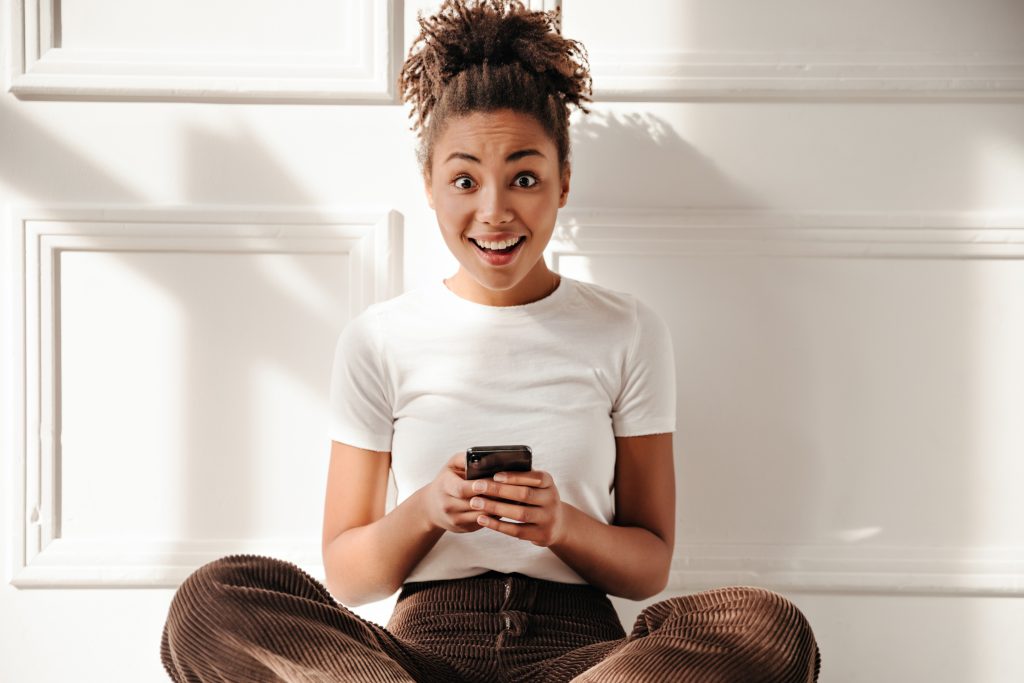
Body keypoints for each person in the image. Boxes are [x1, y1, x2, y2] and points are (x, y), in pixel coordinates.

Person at [159, 1, 822, 681]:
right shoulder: (379, 340)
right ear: (431, 186)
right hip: (418, 657)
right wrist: (427, 509)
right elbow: (350, 574)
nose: (495, 211)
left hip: (583, 658)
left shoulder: (628, 329)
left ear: (564, 181)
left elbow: (648, 563)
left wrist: (559, 524)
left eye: (525, 177)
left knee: (767, 628)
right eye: (465, 179)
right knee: (210, 601)